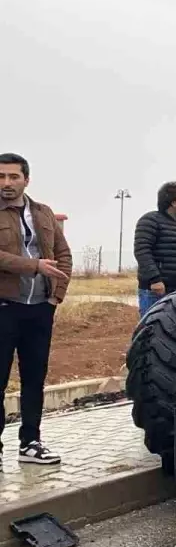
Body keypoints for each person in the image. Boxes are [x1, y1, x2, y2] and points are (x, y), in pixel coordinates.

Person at [0, 152, 72, 466]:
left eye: (13, 176)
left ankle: (31, 442)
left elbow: (63, 254)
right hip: (4, 307)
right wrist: (33, 266)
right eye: (1, 177)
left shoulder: (43, 213)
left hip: (40, 309)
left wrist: (55, 297)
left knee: (34, 379)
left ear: (26, 179)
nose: (6, 183)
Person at [133, 182, 176, 316]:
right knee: (152, 332)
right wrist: (155, 280)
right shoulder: (150, 221)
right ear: (173, 202)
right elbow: (142, 251)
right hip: (155, 292)